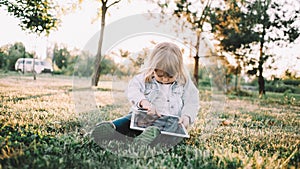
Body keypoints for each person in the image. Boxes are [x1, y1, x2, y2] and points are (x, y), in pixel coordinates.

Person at [92, 42, 199, 148]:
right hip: (144, 119)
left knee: (170, 134)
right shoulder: (145, 78)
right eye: (160, 76)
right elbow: (133, 90)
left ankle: (147, 137)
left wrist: (187, 116)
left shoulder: (183, 82)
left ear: (178, 69)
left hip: (168, 124)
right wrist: (144, 103)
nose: (165, 79)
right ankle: (113, 128)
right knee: (129, 120)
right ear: (153, 68)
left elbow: (192, 100)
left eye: (170, 76)